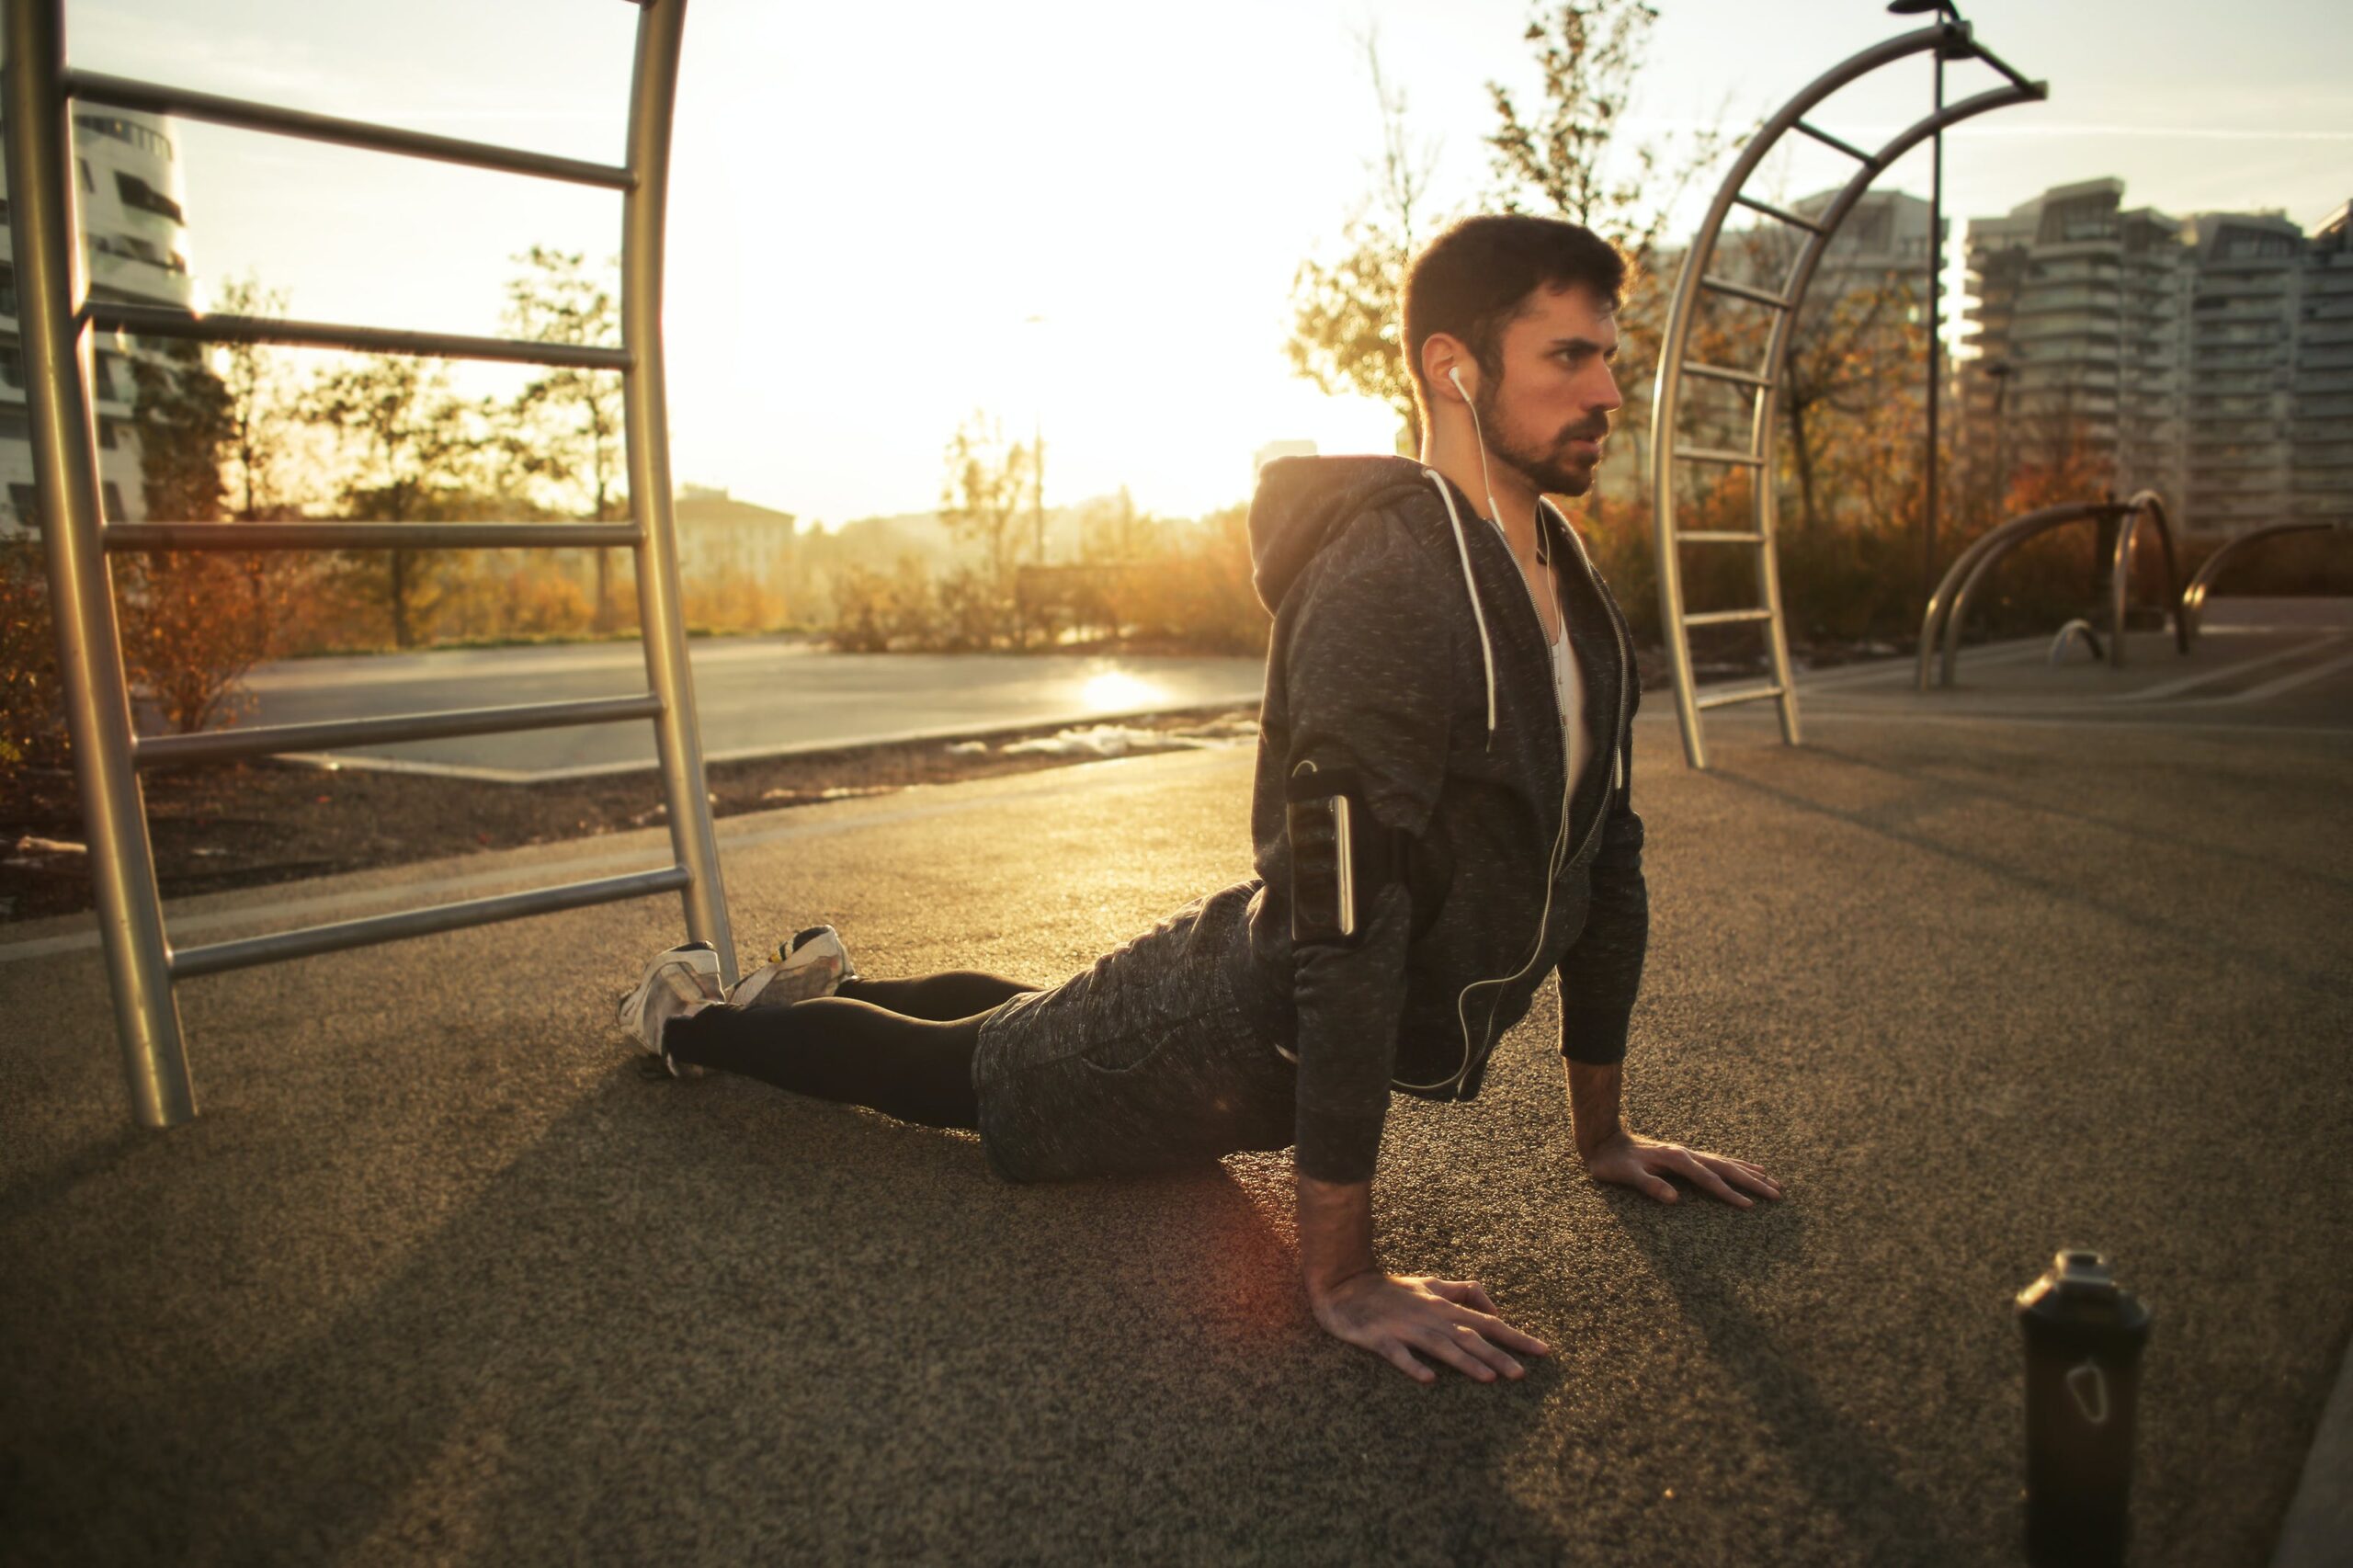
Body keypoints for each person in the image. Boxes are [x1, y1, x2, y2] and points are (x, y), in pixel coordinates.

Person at [617, 214, 1781, 1385]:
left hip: (1233, 1006)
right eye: (1569, 357)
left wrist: (1604, 1134)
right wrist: (1341, 1275)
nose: (1610, 391)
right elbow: (1345, 919)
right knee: (970, 1078)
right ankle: (692, 1016)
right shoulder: (1389, 580)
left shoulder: (1569, 583)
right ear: (1453, 368)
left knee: (1025, 1029)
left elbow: (1603, 865)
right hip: (1227, 1027)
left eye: (1609, 356)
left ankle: (819, 979)